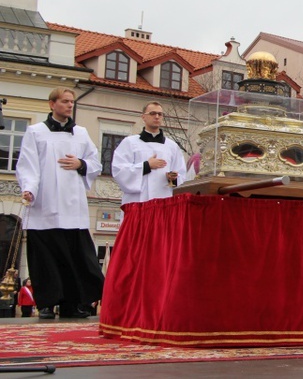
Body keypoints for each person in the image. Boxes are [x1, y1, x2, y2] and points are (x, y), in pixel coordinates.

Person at [16, 87, 104, 319]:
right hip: (45, 204)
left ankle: (73, 304)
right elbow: (28, 164)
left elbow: (96, 163)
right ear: (52, 104)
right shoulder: (36, 132)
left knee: (76, 259)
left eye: (72, 102)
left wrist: (81, 164)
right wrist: (29, 189)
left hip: (73, 206)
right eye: (65, 101)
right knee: (46, 259)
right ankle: (47, 303)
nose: (69, 105)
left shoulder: (81, 133)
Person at [112, 102, 186, 205]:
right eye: (152, 113)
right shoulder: (129, 143)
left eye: (160, 114)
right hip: (137, 201)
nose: (157, 117)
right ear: (143, 117)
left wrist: (173, 178)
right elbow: (119, 170)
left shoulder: (172, 146)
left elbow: (182, 175)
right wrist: (146, 166)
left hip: (164, 202)